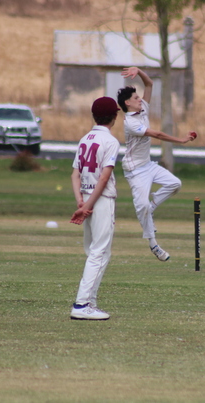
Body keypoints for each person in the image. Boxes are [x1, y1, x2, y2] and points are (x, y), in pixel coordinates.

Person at [117, 67, 197, 262]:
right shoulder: (130, 123)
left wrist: (139, 71)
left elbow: (149, 84)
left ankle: (151, 208)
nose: (140, 99)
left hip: (147, 165)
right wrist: (181, 140)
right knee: (142, 205)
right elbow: (158, 134)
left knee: (175, 184)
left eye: (139, 97)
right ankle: (153, 245)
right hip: (135, 170)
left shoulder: (142, 108)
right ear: (127, 103)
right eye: (136, 98)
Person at [69, 97, 121, 321]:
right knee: (99, 252)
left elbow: (75, 175)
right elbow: (104, 178)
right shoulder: (110, 141)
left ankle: (90, 301)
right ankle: (81, 305)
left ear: (94, 115)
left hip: (86, 199)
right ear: (114, 117)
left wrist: (80, 202)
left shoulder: (85, 139)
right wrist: (87, 206)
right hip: (100, 200)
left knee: (96, 252)